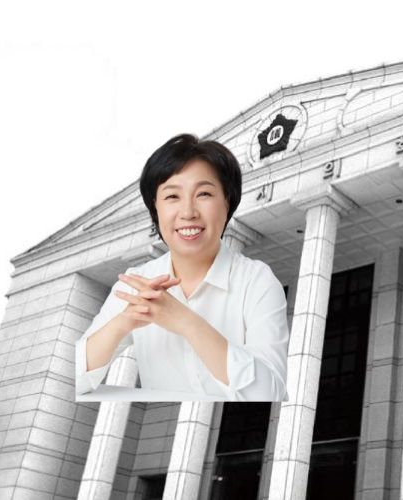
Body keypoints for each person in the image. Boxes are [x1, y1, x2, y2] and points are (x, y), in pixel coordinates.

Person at [74, 134, 288, 401]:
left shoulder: (257, 281)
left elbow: (269, 391)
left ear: (227, 202)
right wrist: (122, 323)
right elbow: (76, 380)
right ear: (156, 208)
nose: (188, 212)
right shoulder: (136, 283)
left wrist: (187, 323)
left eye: (204, 194)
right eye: (172, 196)